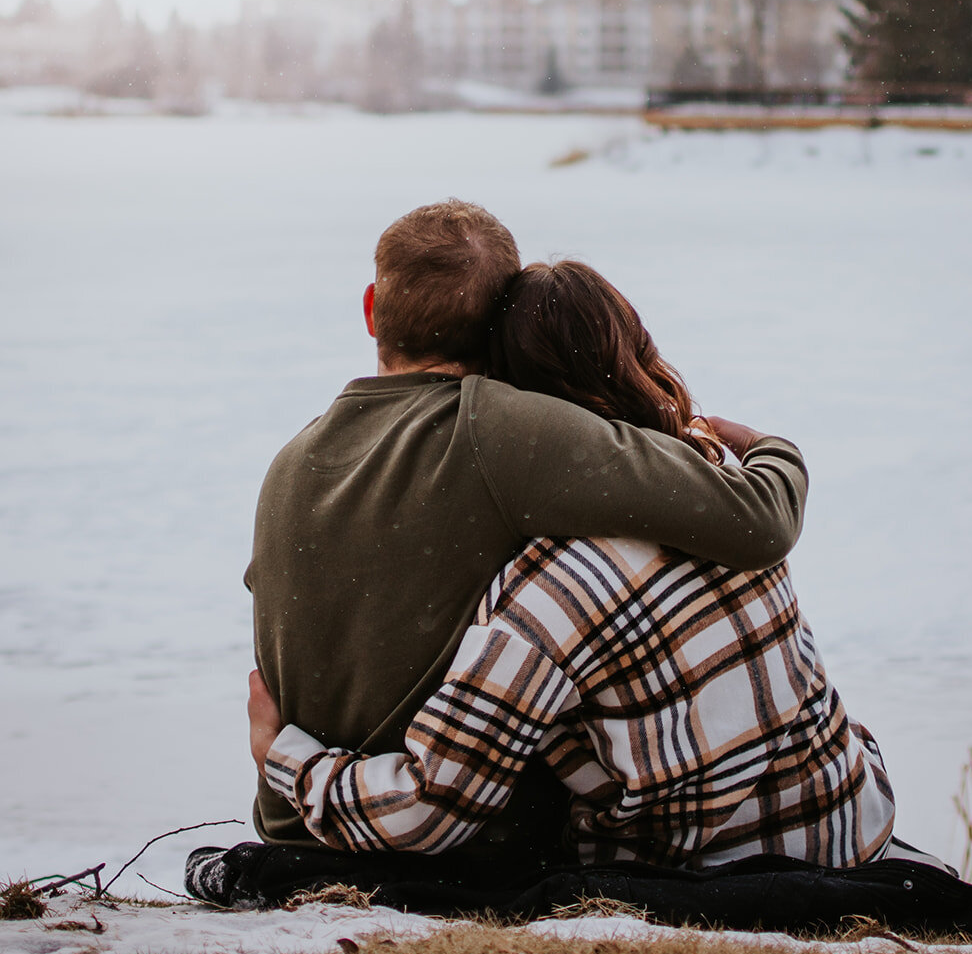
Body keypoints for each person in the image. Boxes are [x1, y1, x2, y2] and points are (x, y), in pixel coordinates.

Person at [249, 260, 898, 872]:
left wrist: (288, 758)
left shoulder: (551, 591)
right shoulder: (715, 486)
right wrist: (765, 447)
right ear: (635, 356)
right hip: (849, 815)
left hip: (705, 871)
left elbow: (428, 809)